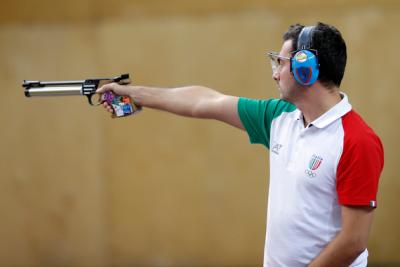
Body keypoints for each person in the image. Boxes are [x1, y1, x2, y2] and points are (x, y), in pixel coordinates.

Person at [97, 22, 384, 267]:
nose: (274, 73)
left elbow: (354, 241)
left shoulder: (357, 141)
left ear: (305, 68)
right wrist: (134, 94)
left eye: (280, 63)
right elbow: (204, 102)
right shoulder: (279, 117)